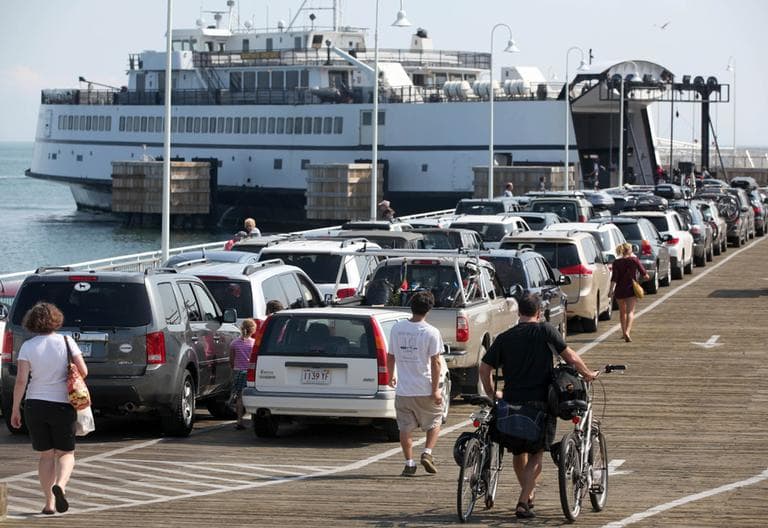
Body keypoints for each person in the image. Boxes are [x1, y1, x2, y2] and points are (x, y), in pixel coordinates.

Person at [479, 293, 598, 519]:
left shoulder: (505, 337)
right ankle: (523, 502)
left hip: (511, 403)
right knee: (536, 453)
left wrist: (493, 393)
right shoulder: (545, 331)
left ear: (518, 313)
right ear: (539, 312)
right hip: (540, 404)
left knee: (518, 450)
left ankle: (528, 492)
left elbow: (485, 369)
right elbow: (570, 357)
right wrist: (588, 373)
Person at [10, 302, 88, 515]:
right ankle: (61, 486)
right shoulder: (66, 341)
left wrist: (15, 409)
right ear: (56, 320)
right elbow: (83, 371)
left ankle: (49, 504)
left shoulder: (28, 346)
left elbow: (20, 381)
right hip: (62, 404)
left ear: (31, 322)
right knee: (66, 453)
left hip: (35, 405)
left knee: (46, 456)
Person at [386, 291, 444, 477]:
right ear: (429, 309)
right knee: (435, 419)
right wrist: (435, 390)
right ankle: (427, 452)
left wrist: (390, 375)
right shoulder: (431, 332)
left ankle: (408, 463)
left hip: (404, 389)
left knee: (405, 428)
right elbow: (435, 363)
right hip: (425, 387)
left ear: (411, 306)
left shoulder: (397, 328)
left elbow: (391, 356)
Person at [610, 242, 649, 342]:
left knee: (622, 312)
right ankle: (627, 331)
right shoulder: (634, 260)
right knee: (630, 312)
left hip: (619, 290)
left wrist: (611, 290)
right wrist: (643, 279)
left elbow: (614, 278)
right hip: (631, 289)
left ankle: (623, 333)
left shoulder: (616, 262)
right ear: (630, 250)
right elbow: (644, 274)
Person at [230, 318, 257, 430]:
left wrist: (234, 368)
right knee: (252, 396)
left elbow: (231, 359)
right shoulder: (253, 343)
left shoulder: (234, 343)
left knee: (240, 397)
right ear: (253, 330)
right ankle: (254, 421)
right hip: (250, 372)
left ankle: (239, 421)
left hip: (238, 371)